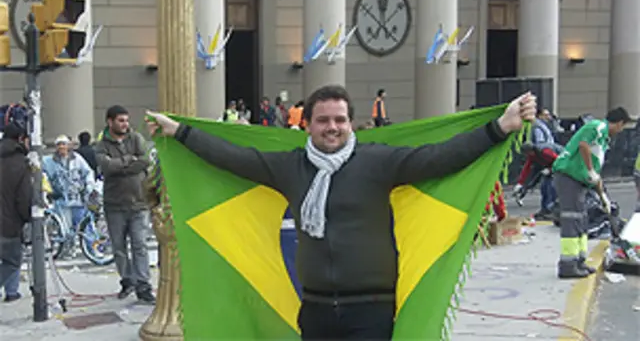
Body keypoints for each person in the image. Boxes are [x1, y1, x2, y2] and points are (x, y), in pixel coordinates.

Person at [146, 85, 536, 340]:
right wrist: (181, 133)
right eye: (323, 120)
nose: (332, 127)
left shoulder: (378, 161)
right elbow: (235, 158)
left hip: (371, 311)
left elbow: (439, 158)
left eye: (339, 120)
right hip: (315, 311)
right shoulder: (291, 167)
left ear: (351, 124)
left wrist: (499, 128)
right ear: (308, 125)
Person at [552, 106, 635, 279]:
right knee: (572, 218)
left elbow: (595, 173)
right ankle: (568, 265)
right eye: (621, 127)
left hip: (580, 179)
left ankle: (579, 261)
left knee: (582, 219)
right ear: (619, 123)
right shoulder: (597, 127)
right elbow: (583, 145)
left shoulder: (604, 140)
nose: (620, 132)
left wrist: (602, 194)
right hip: (569, 176)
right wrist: (590, 170)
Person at [94, 105, 155, 303]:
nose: (125, 124)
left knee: (140, 245)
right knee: (119, 248)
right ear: (110, 122)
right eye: (121, 121)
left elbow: (145, 160)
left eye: (127, 121)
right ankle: (127, 280)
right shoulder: (102, 144)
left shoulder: (136, 138)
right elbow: (106, 167)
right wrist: (130, 160)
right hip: (115, 204)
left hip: (138, 202)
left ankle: (143, 285)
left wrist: (121, 165)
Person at [0, 122, 32, 302]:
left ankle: (12, 292)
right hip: (8, 223)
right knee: (12, 261)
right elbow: (23, 198)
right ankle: (11, 292)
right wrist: (27, 218)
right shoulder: (21, 163)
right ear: (21, 139)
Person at [43, 135, 96, 233]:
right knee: (65, 230)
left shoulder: (77, 159)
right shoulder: (48, 162)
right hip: (61, 200)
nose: (61, 147)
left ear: (68, 146)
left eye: (64, 144)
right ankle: (68, 246)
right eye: (59, 145)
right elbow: (41, 173)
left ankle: (90, 247)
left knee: (83, 227)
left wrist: (89, 186)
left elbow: (88, 172)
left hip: (77, 198)